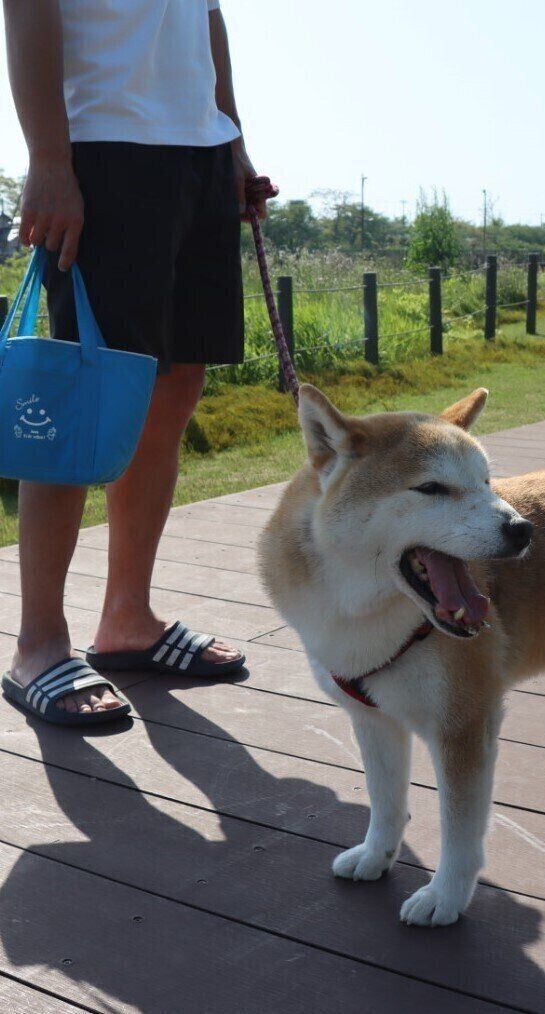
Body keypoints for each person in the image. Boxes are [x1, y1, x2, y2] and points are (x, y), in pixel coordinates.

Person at [2, 0, 267, 724]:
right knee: (77, 397)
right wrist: (49, 160)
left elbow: (206, 16)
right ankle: (38, 646)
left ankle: (128, 619)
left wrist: (232, 141)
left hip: (200, 153)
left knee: (175, 384)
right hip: (100, 149)